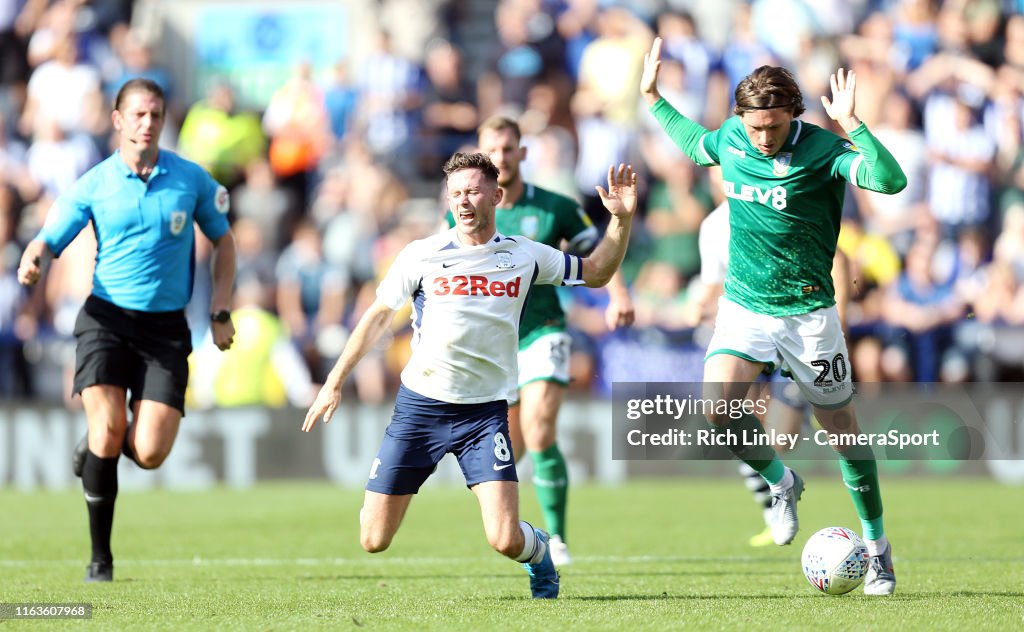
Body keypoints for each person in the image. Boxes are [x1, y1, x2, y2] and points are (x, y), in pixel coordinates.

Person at [302, 152, 637, 599]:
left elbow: (595, 273)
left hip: (484, 415)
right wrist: (334, 381)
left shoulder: (524, 255)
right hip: (420, 408)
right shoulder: (422, 254)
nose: (463, 201)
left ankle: (541, 554)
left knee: (505, 540)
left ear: (496, 195)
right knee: (373, 540)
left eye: (473, 191)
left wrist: (621, 222)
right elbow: (379, 317)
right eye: (456, 192)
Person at [642, 37, 906, 596]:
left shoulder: (823, 153)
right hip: (744, 307)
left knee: (843, 437)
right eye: (756, 126)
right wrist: (654, 98)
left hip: (809, 314)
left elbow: (890, 180)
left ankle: (879, 552)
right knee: (716, 410)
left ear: (795, 115)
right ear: (742, 118)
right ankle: (780, 481)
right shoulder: (734, 138)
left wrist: (854, 124)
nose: (763, 138)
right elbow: (696, 145)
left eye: (775, 126)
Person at [17, 78, 237, 583]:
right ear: (118, 120)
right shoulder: (94, 183)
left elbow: (224, 243)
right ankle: (101, 557)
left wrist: (220, 308)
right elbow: (50, 237)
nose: (147, 123)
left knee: (152, 452)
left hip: (165, 329)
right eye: (137, 114)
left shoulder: (191, 180)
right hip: (106, 319)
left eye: (155, 114)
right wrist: (34, 258)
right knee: (109, 428)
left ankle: (96, 446)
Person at [444, 115, 635, 566]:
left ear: (522, 152)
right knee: (516, 446)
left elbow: (597, 257)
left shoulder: (556, 206)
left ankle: (561, 540)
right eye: (493, 149)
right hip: (496, 345)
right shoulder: (466, 209)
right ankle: (518, 533)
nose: (502, 157)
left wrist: (619, 293)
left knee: (540, 427)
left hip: (545, 329)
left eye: (509, 148)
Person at [694, 200, 853, 547]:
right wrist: (696, 306)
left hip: (798, 328)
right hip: (749, 330)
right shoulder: (712, 226)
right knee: (734, 417)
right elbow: (711, 285)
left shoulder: (776, 201)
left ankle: (784, 489)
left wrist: (840, 320)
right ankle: (773, 507)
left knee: (783, 439)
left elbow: (839, 260)